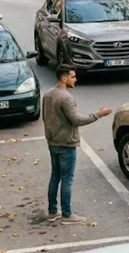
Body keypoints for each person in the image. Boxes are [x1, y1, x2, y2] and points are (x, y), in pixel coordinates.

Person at [43, 64, 112, 224]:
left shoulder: (48, 94)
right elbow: (77, 120)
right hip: (66, 144)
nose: (76, 79)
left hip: (53, 142)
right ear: (64, 78)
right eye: (73, 77)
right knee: (67, 179)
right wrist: (99, 114)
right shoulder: (66, 98)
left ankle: (53, 211)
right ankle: (67, 215)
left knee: (55, 176)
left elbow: (45, 118)